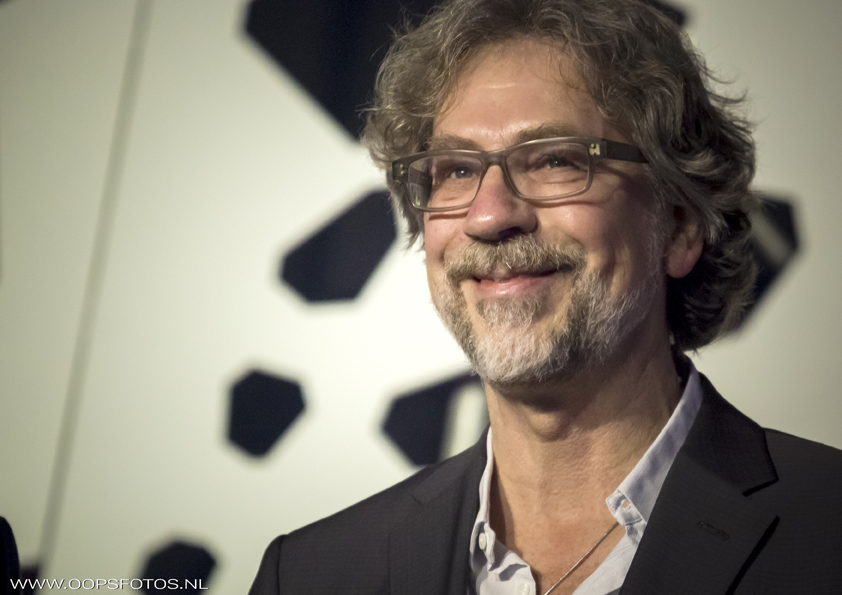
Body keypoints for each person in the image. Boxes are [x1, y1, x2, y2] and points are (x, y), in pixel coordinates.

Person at [249, 0, 842, 593]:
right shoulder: (307, 575)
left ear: (680, 226)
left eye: (556, 160)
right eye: (456, 170)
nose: (488, 216)